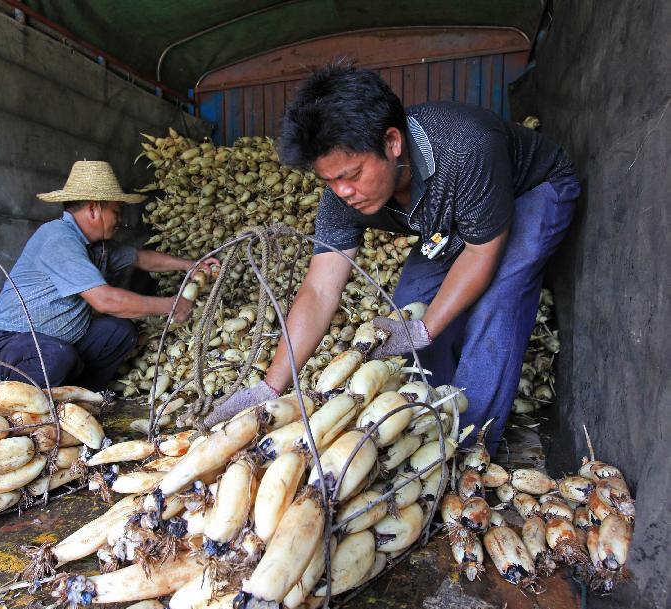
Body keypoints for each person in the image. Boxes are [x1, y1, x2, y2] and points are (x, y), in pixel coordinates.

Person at [208, 64, 579, 453]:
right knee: (407, 311)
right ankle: (426, 418)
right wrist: (270, 386)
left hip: (532, 191)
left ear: (392, 142)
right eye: (329, 180)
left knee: (496, 303)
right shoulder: (340, 198)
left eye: (352, 174)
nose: (343, 191)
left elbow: (481, 252)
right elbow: (319, 289)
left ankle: (467, 446)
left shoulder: (466, 146)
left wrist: (426, 329)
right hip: (449, 220)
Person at [0, 160, 218, 391]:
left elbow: (140, 258)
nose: (120, 219)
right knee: (55, 356)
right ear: (93, 209)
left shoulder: (96, 247)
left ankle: (82, 399)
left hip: (55, 344)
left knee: (119, 332)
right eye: (116, 211)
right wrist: (171, 306)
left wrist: (189, 265)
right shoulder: (59, 239)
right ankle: (31, 416)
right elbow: (105, 300)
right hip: (7, 347)